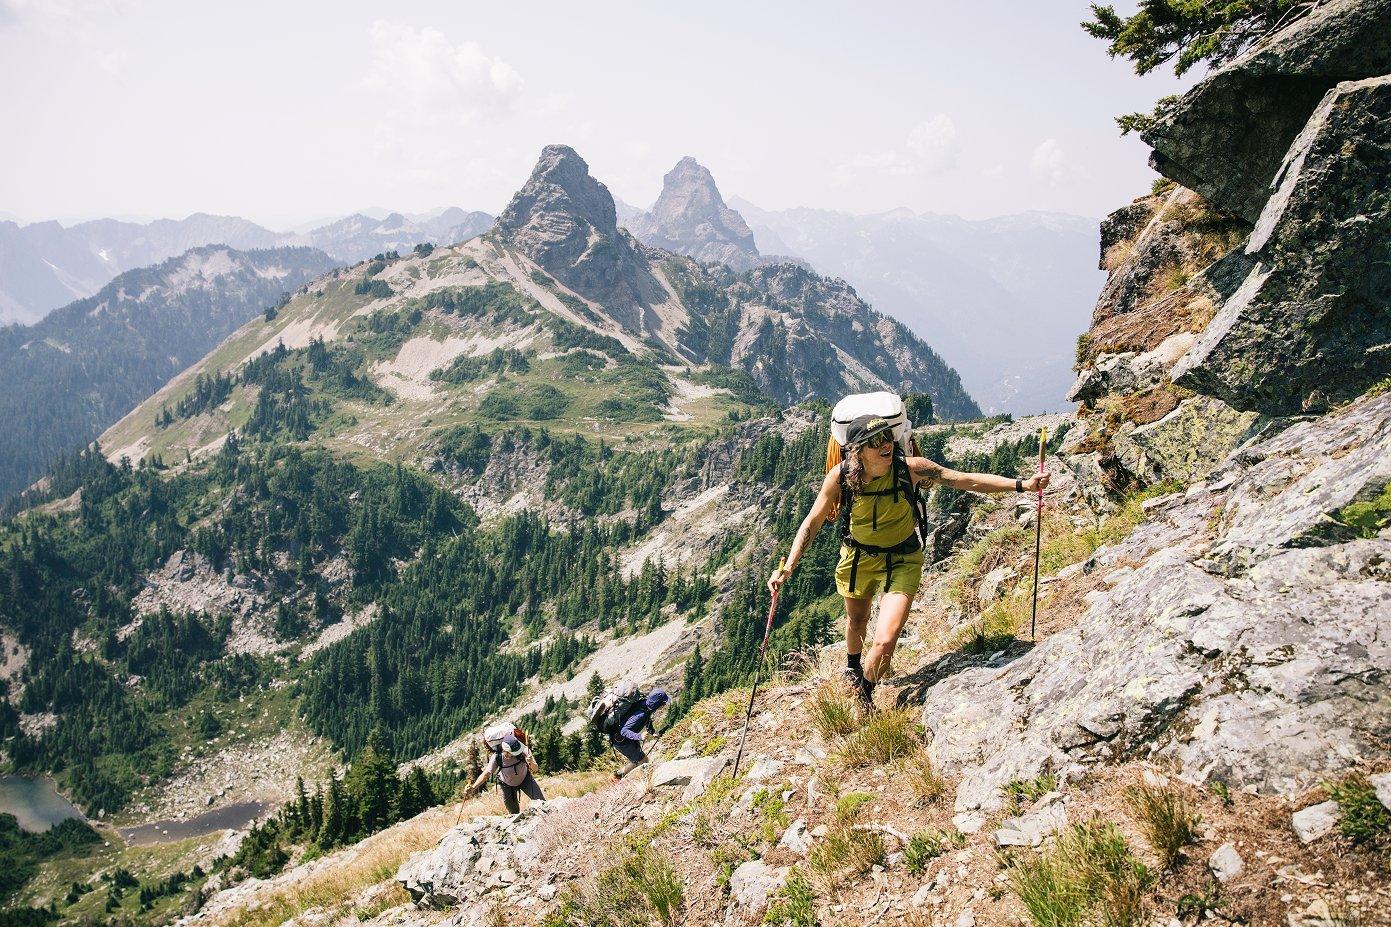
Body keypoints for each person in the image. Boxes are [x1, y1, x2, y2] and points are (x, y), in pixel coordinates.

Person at [767, 414, 1049, 706]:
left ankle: (863, 694)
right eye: (876, 442)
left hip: (903, 558)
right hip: (858, 557)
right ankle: (852, 668)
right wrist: (788, 567)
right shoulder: (841, 476)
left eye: (888, 438)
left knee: (886, 639)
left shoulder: (911, 469)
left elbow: (965, 480)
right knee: (858, 619)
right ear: (858, 450)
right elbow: (812, 522)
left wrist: (1022, 485)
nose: (886, 446)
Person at [465, 734, 545, 813]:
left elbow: (535, 769)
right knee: (513, 813)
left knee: (542, 803)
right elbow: (486, 774)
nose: (517, 753)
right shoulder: (497, 757)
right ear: (506, 751)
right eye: (514, 752)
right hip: (507, 786)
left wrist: (530, 762)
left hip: (526, 779)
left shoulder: (524, 750)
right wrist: (473, 788)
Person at [610, 688, 669, 781]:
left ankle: (617, 776)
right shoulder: (641, 714)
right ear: (657, 703)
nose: (664, 705)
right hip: (623, 742)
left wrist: (652, 732)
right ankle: (644, 781)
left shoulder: (645, 705)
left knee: (637, 760)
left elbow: (647, 720)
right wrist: (639, 736)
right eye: (662, 703)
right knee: (644, 760)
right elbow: (624, 730)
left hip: (625, 740)